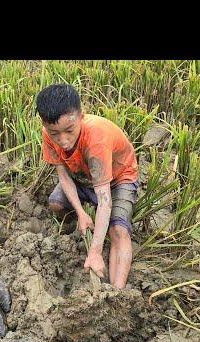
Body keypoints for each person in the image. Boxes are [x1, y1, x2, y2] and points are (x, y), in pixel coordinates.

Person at [36, 83, 139, 289]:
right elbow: (64, 176)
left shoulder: (96, 139)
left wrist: (95, 252)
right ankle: (82, 225)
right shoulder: (48, 135)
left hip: (119, 178)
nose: (63, 140)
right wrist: (81, 212)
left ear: (81, 116)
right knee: (56, 204)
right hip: (83, 177)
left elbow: (104, 200)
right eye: (55, 133)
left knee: (118, 230)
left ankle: (117, 292)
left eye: (69, 131)